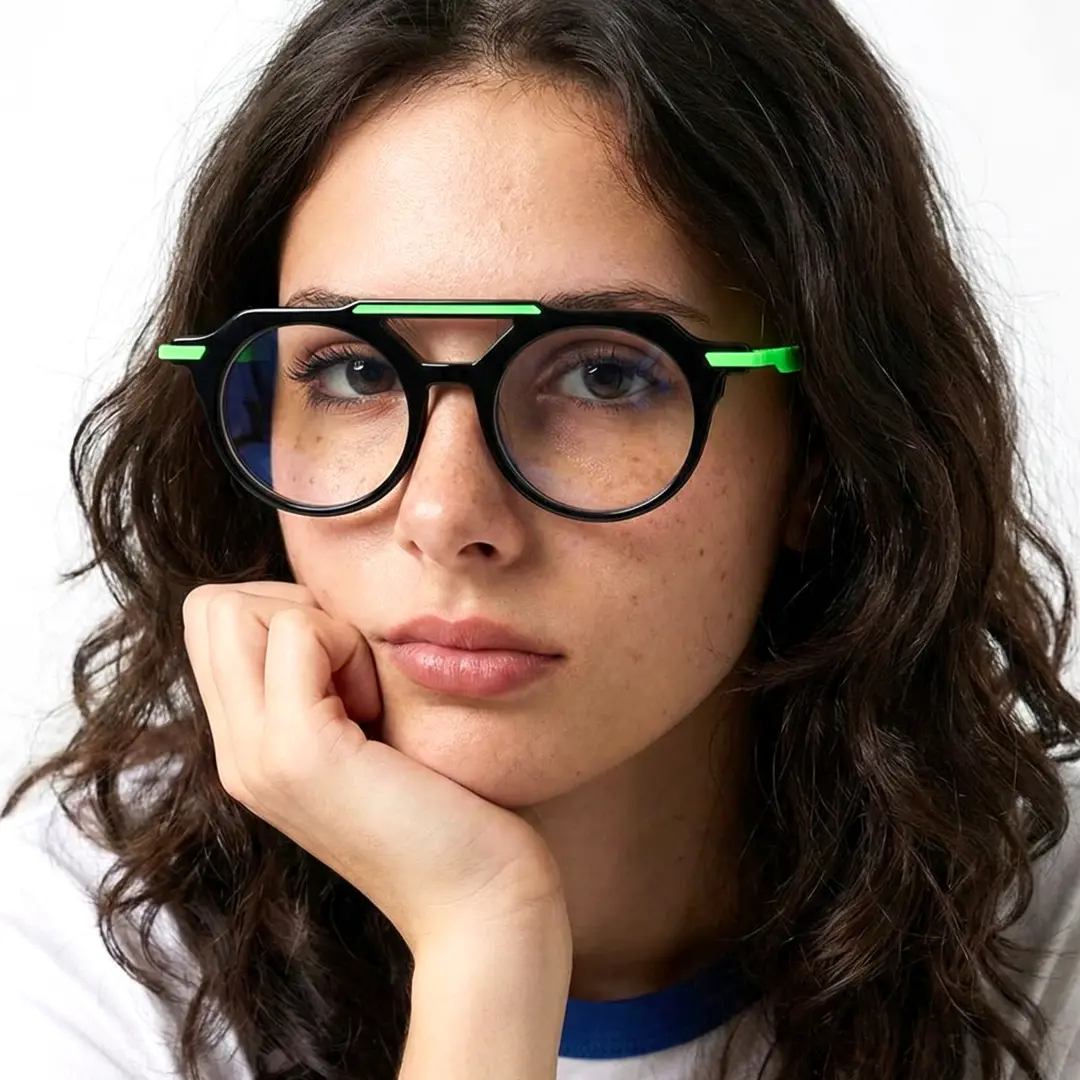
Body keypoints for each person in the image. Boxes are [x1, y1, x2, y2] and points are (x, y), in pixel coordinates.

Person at [2, 0, 1079, 1078]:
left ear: (826, 452)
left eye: (606, 375)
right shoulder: (91, 932)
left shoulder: (1048, 934)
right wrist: (482, 935)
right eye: (356, 372)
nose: (444, 516)